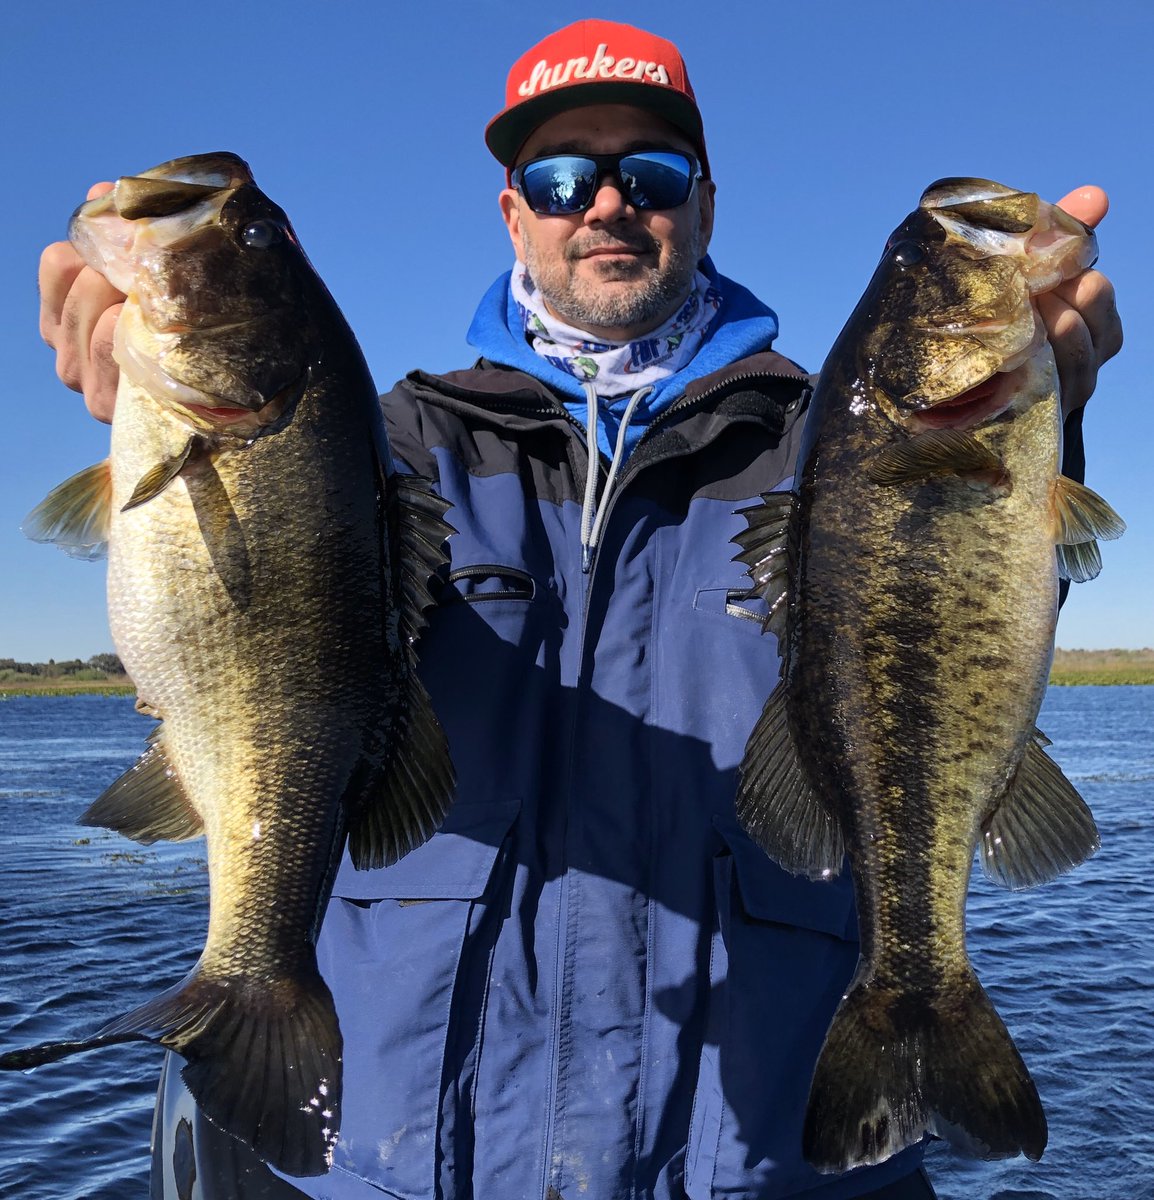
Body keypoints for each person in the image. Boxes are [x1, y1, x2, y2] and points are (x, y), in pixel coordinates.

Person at [39, 20, 1122, 1200]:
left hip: (769, 1163)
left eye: (646, 174)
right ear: (515, 214)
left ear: (702, 203)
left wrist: (1048, 423)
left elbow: (966, 627)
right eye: (559, 178)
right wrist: (139, 382)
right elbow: (267, 634)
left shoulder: (827, 449)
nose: (603, 204)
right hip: (408, 1163)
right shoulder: (384, 446)